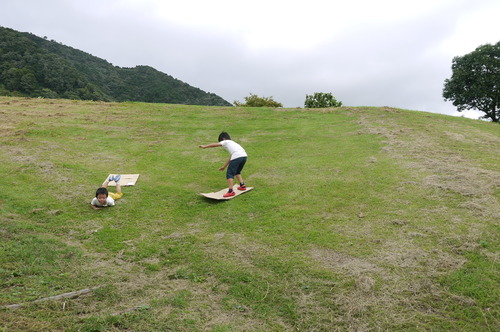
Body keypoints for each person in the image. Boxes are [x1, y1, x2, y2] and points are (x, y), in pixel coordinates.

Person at [199, 132, 248, 197]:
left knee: (229, 174)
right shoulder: (234, 144)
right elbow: (231, 157)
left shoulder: (226, 141)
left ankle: (231, 191)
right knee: (237, 172)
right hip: (244, 156)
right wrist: (224, 166)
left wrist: (205, 146)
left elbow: (215, 144)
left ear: (224, 138)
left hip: (237, 156)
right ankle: (242, 185)